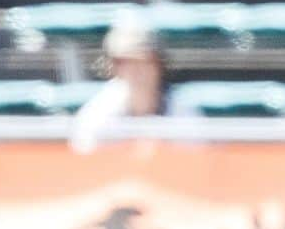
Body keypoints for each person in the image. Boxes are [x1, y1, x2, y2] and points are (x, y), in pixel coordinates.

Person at [70, 20, 198, 152]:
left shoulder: (181, 111)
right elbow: (86, 162)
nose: (137, 71)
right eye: (126, 63)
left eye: (145, 62)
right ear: (115, 67)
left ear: (158, 65)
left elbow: (195, 161)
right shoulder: (98, 113)